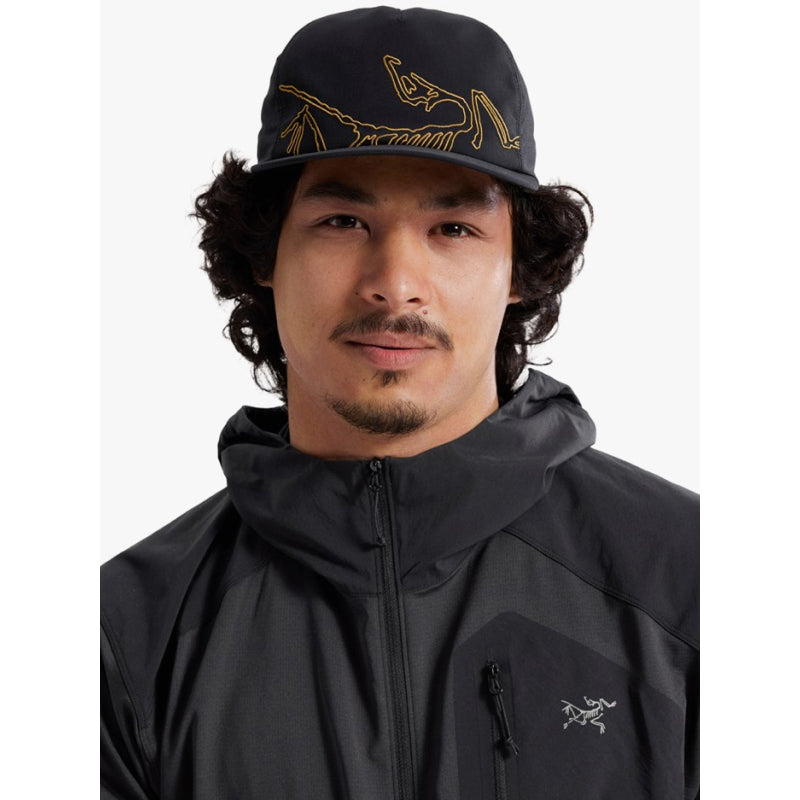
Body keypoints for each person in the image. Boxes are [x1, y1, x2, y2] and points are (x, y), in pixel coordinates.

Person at [101, 6, 699, 799]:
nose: (395, 282)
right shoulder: (125, 640)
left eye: (453, 228)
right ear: (264, 253)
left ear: (519, 267)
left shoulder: (696, 582)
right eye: (343, 221)